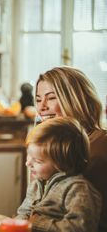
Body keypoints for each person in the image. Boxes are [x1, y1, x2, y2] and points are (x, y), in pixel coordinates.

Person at [35, 66, 107, 231]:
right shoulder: (56, 148)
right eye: (38, 100)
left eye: (51, 98)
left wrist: (35, 222)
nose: (42, 107)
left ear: (75, 99)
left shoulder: (99, 148)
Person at [16, 117, 101, 231]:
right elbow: (23, 213)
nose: (27, 163)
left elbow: (80, 227)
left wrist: (37, 223)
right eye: (29, 156)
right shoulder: (37, 183)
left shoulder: (77, 188)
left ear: (62, 163)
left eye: (37, 161)